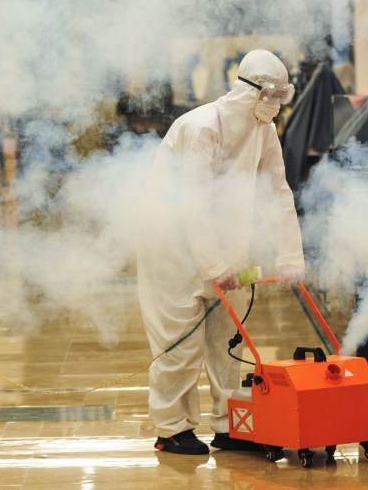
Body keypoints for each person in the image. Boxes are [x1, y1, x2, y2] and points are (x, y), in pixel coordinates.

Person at [136, 49, 305, 455]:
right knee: (180, 345)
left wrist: (290, 256)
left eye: (282, 96)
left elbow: (277, 193)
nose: (276, 105)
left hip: (227, 245)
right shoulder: (201, 126)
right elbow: (193, 202)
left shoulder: (262, 132)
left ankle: (233, 427)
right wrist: (213, 264)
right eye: (271, 95)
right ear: (250, 90)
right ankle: (172, 429)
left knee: (229, 344)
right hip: (173, 251)